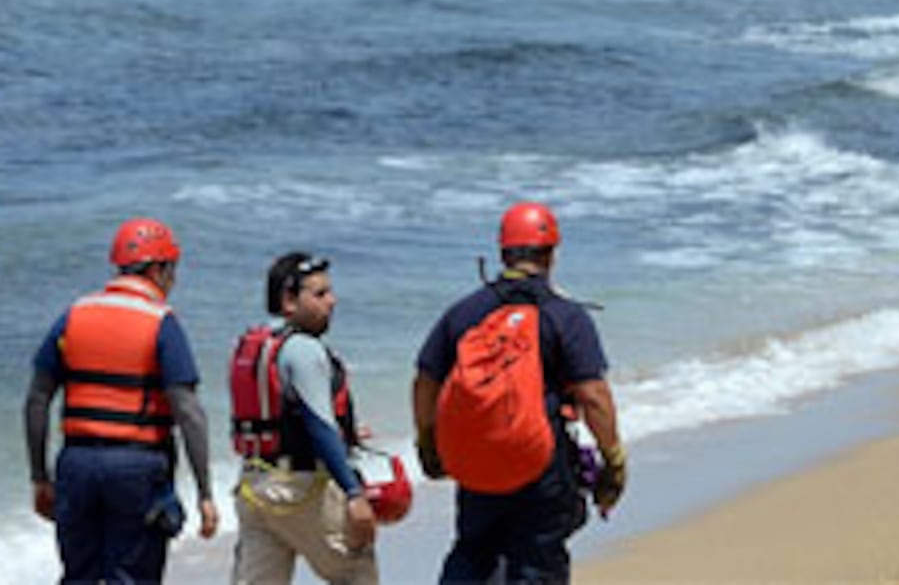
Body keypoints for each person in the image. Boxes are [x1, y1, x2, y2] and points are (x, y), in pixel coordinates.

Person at [412, 201, 626, 585]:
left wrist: (429, 443)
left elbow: (425, 381)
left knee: (473, 549)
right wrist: (614, 459)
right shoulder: (566, 316)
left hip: (477, 460)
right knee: (537, 559)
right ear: (551, 254)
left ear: (502, 252)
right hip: (541, 461)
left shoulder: (464, 311)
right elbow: (593, 395)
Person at [26, 217, 222, 584]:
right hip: (137, 468)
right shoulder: (161, 321)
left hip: (76, 465)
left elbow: (37, 400)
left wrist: (39, 477)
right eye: (173, 270)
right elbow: (188, 412)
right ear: (160, 270)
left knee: (78, 576)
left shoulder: (74, 315)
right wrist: (205, 492)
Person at [229, 251, 381, 585]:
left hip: (254, 489)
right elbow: (319, 425)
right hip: (300, 490)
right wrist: (354, 494)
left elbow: (276, 415)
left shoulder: (255, 344)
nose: (333, 301)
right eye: (320, 294)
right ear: (289, 301)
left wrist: (349, 433)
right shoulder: (304, 349)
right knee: (355, 572)